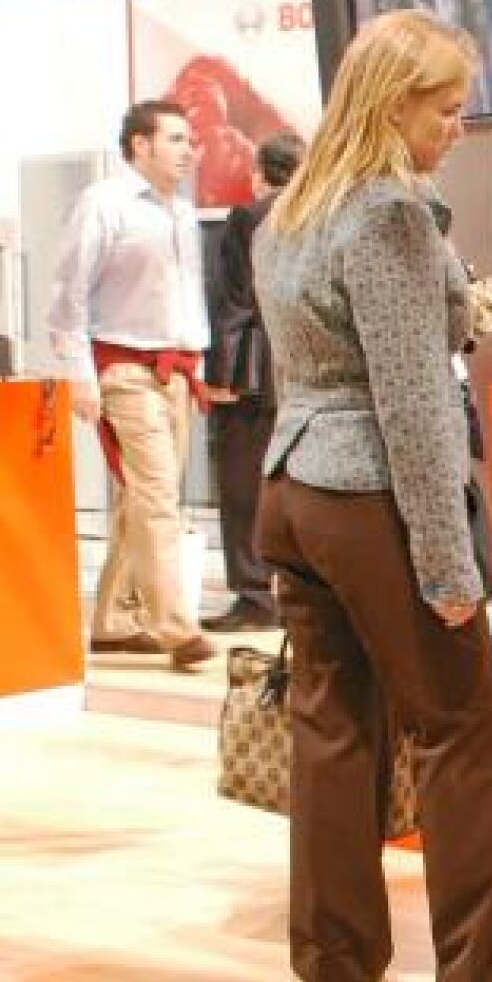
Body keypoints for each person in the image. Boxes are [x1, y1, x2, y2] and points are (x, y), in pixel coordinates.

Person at [250, 10, 492, 982]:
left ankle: (334, 959)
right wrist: (448, 566)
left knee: (333, 723)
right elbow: (412, 404)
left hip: (293, 488)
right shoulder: (389, 215)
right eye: (446, 108)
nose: (459, 126)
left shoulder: (291, 212)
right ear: (392, 104)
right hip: (368, 499)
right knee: (465, 725)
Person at [45, 99, 217, 672]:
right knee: (158, 494)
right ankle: (175, 627)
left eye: (190, 139)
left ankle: (115, 621)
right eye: (176, 139)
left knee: (138, 497)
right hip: (122, 369)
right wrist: (80, 376)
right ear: (140, 145)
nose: (189, 150)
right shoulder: (104, 203)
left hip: (177, 371)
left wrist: (199, 367)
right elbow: (68, 296)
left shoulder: (182, 212)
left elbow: (186, 300)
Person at [202, 131, 306, 633]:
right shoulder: (321, 215)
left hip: (257, 372)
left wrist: (220, 377)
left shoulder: (250, 218)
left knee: (243, 484)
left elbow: (234, 301)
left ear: (260, 173)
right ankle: (296, 593)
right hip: (307, 370)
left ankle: (254, 595)